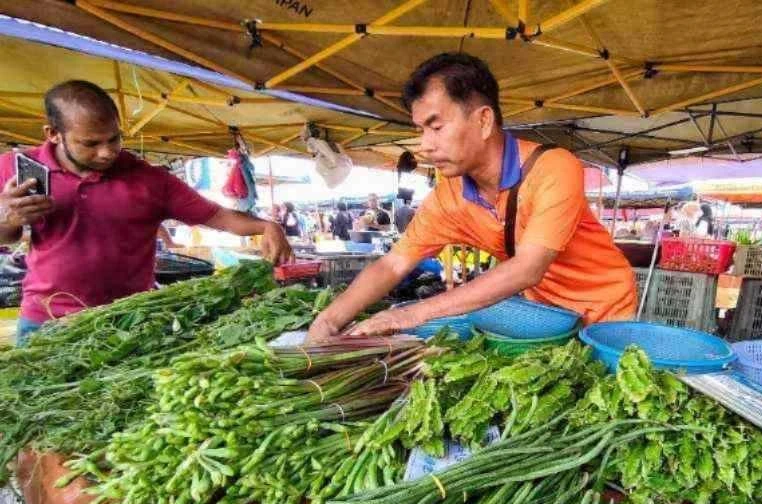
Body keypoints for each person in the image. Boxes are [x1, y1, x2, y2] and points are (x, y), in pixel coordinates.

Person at [307, 53, 636, 341]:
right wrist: (329, 319)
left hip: (605, 306)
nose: (424, 145)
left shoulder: (554, 168)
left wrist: (407, 315)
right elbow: (393, 264)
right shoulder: (448, 197)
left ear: (483, 120)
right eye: (421, 129)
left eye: (436, 127)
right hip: (544, 312)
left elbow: (527, 268)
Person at [0, 80, 292, 345]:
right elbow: (6, 237)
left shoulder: (150, 179)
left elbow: (218, 216)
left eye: (114, 139)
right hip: (46, 321)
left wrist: (267, 227)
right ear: (53, 134)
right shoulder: (15, 169)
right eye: (90, 143)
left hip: (130, 322)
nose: (106, 152)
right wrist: (8, 218)